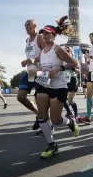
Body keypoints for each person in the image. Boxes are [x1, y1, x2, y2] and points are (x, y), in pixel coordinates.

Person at [35, 16, 80, 159]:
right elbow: (42, 67)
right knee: (41, 115)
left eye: (48, 33)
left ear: (54, 36)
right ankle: (51, 144)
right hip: (44, 84)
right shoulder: (42, 52)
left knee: (55, 120)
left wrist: (59, 68)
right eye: (43, 33)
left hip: (58, 87)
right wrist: (37, 71)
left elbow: (74, 63)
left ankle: (70, 121)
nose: (45, 35)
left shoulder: (58, 49)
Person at [17, 19, 44, 134]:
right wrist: (26, 61)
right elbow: (30, 56)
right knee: (21, 97)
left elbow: (47, 53)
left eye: (29, 25)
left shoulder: (40, 37)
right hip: (31, 71)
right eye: (25, 25)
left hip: (40, 71)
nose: (27, 27)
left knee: (41, 99)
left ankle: (47, 125)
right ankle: (38, 114)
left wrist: (33, 60)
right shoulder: (27, 40)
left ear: (35, 26)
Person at [63, 46, 81, 121]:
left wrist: (73, 68)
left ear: (71, 52)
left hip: (72, 80)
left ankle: (76, 114)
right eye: (66, 50)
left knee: (70, 100)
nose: (67, 52)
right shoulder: (61, 60)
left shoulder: (75, 60)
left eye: (69, 51)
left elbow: (79, 71)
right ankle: (69, 112)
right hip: (63, 80)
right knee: (62, 98)